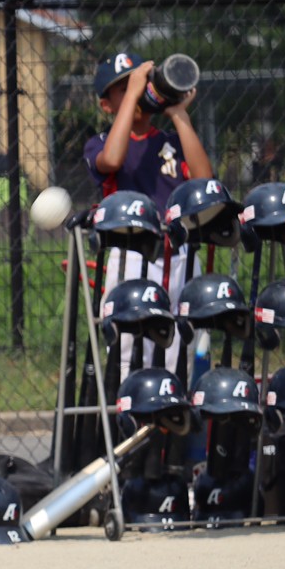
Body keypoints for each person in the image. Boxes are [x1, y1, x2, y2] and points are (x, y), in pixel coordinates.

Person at [85, 50, 214, 373]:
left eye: (140, 83)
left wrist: (179, 114)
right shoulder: (100, 143)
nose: (137, 89)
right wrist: (133, 95)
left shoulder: (172, 140)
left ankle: (174, 402)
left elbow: (205, 182)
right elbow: (112, 160)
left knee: (179, 349)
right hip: (131, 253)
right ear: (107, 105)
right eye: (124, 87)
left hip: (179, 253)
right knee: (129, 348)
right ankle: (128, 402)